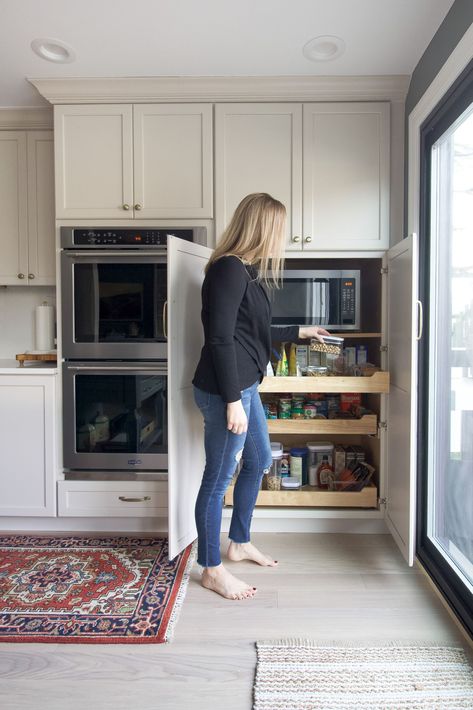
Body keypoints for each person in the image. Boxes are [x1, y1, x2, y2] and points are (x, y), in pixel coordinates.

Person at [192, 193, 330, 600]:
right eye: (279, 230)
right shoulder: (228, 270)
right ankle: (211, 569)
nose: (282, 239)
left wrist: (302, 332)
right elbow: (218, 339)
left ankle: (238, 542)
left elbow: (252, 332)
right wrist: (233, 400)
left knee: (259, 460)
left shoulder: (246, 272)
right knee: (217, 480)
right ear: (262, 228)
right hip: (224, 391)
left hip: (243, 385)